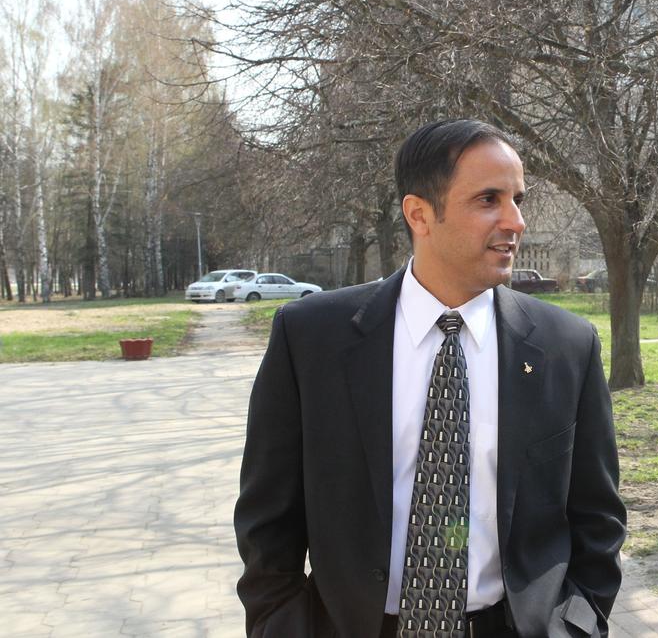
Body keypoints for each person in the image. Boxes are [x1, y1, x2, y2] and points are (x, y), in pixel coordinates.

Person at [235, 119, 626, 638]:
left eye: (518, 199)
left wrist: (575, 627)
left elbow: (597, 520)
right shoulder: (311, 338)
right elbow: (267, 523)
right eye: (489, 199)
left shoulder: (565, 346)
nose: (516, 221)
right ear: (419, 213)